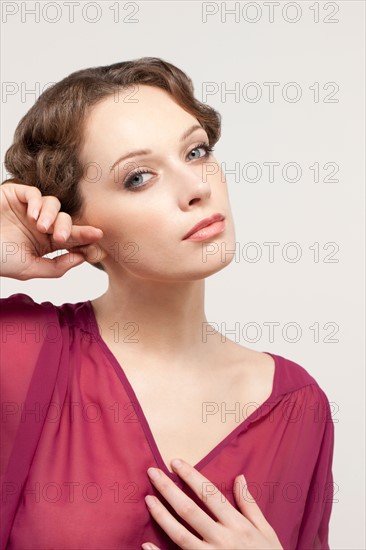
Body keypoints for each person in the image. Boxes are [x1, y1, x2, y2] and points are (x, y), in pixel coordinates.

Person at [0, 57, 334, 550]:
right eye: (138, 177)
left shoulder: (298, 407)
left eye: (197, 151)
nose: (198, 188)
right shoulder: (19, 351)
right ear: (79, 231)